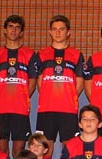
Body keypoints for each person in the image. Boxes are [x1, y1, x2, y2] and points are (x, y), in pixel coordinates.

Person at [0, 14, 37, 155]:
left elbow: (32, 82)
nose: (13, 30)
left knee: (18, 151)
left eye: (17, 28)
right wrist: (3, 97)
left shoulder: (29, 54)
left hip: (20, 109)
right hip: (0, 109)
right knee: (1, 149)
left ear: (21, 32)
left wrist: (21, 98)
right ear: (5, 30)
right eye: (10, 27)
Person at [34, 14, 85, 144]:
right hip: (46, 109)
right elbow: (40, 82)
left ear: (68, 32)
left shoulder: (77, 55)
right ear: (50, 32)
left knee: (70, 149)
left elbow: (79, 83)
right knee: (45, 149)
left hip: (68, 109)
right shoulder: (41, 55)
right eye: (55, 29)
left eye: (61, 29)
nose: (58, 32)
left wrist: (70, 96)